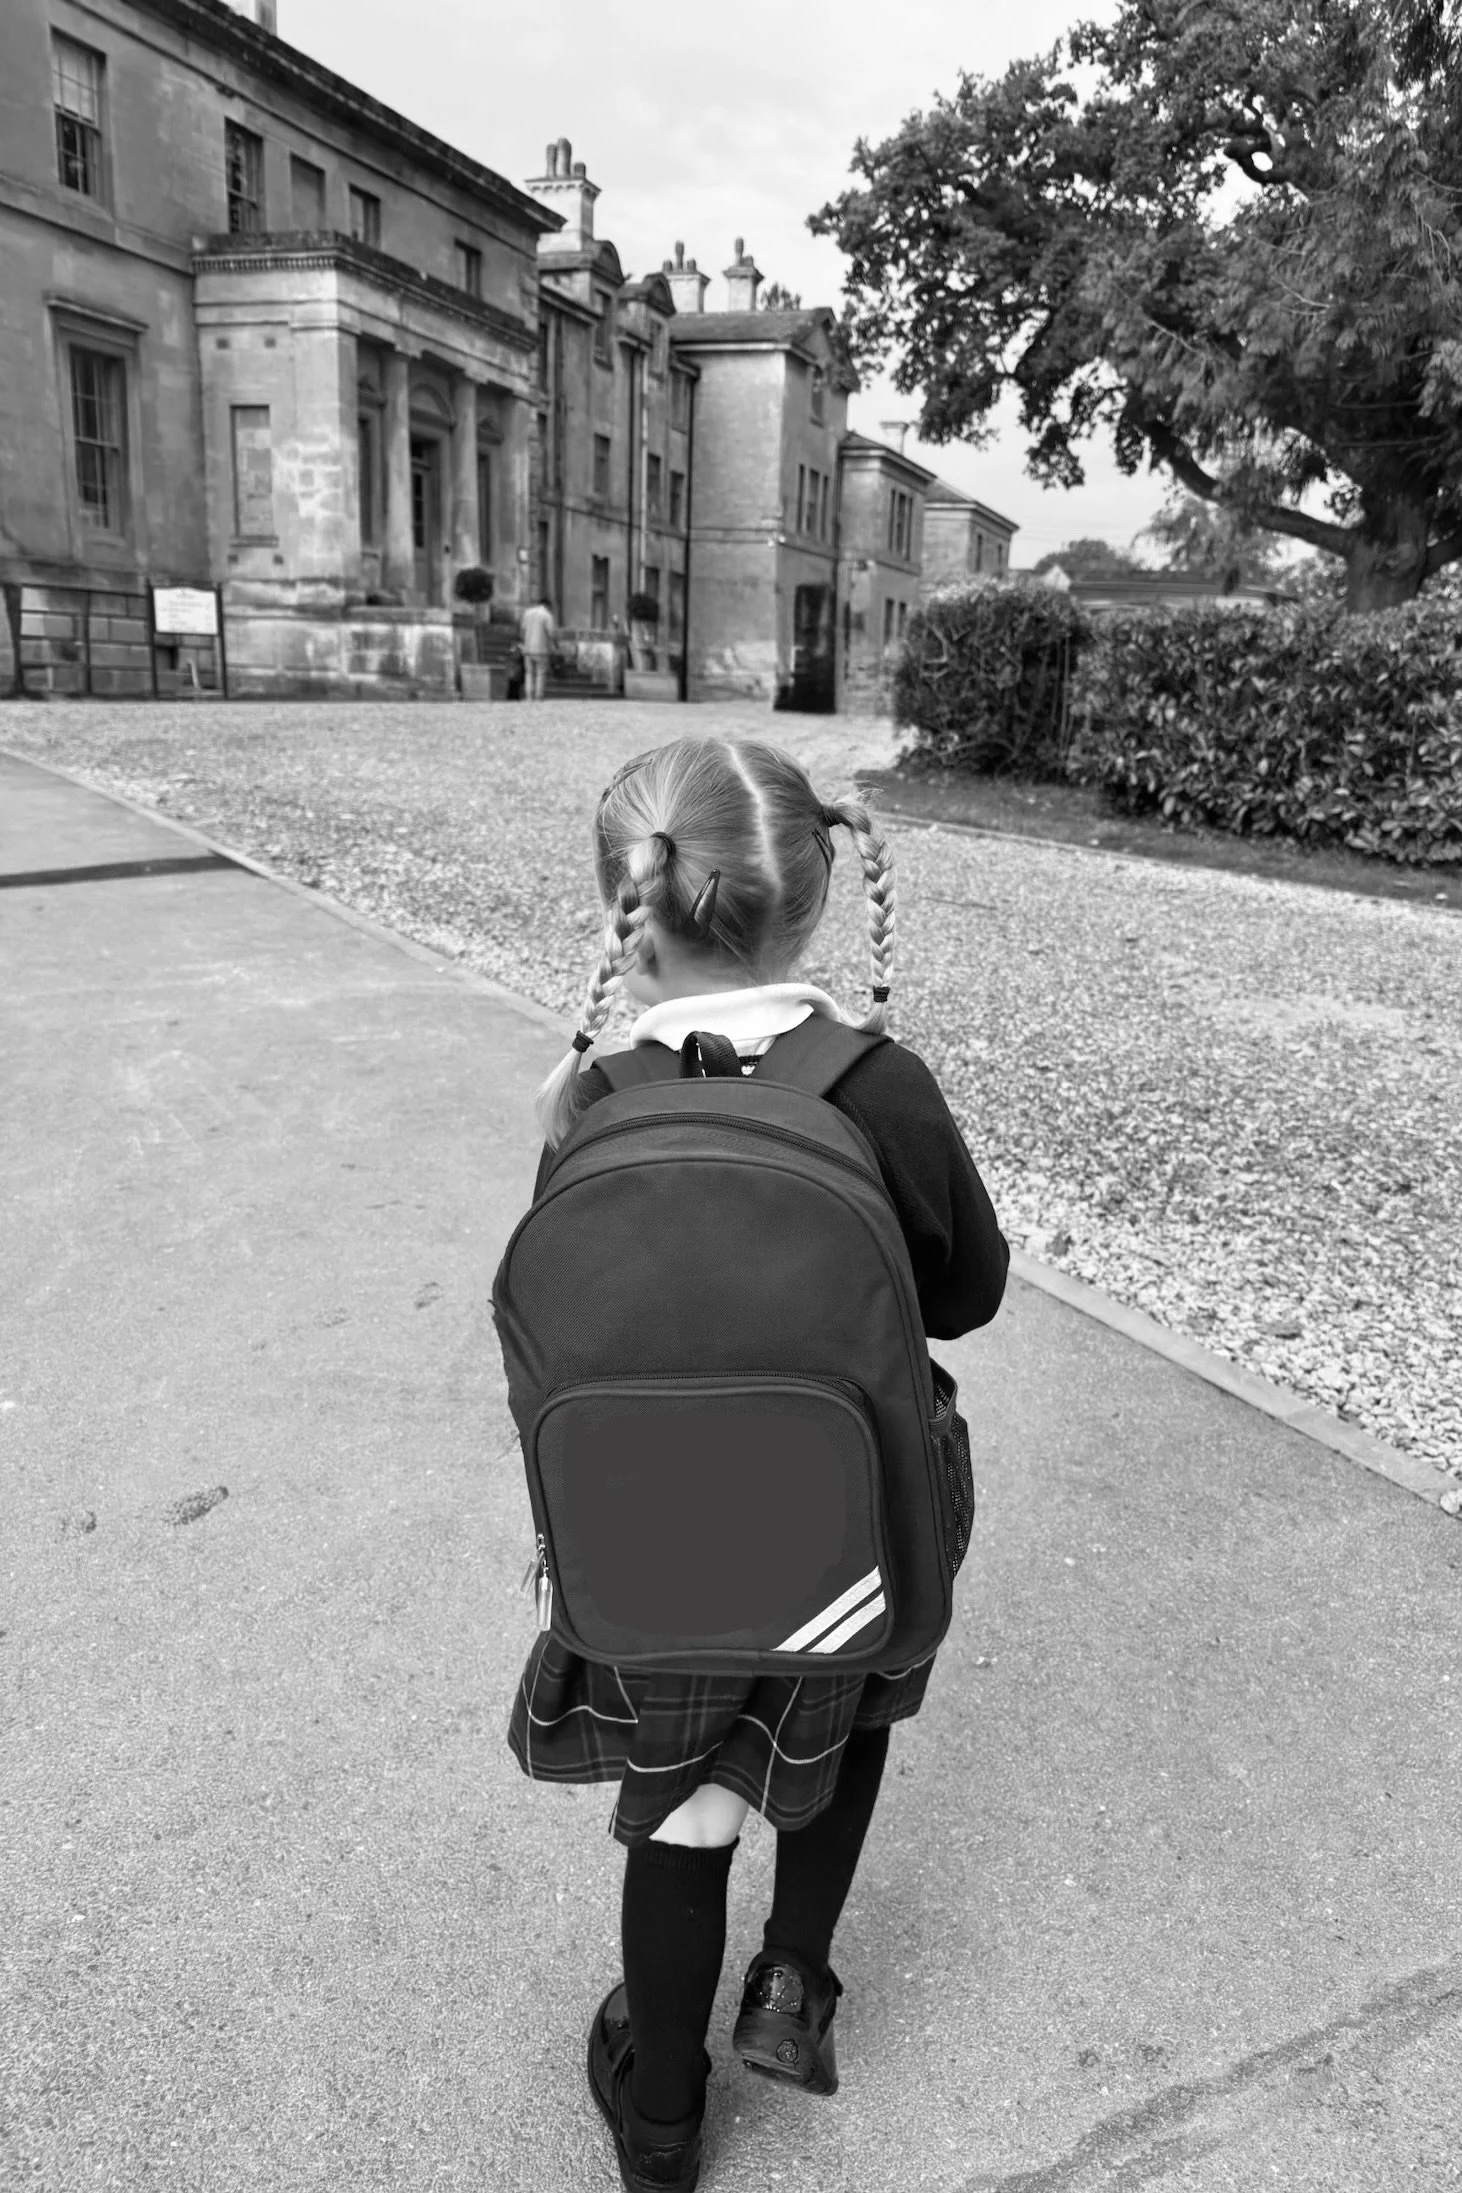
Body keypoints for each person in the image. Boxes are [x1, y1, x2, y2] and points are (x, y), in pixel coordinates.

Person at [507, 736, 1009, 2192]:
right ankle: (792, 1982)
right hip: (853, 1520)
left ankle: (661, 2112)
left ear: (626, 903)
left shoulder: (592, 1097)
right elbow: (964, 1291)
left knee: (688, 1799)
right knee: (837, 1724)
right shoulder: (876, 1080)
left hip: (652, 1532)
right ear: (813, 897)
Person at [520, 594, 557, 699]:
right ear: (547, 605)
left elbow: (522, 631)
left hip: (527, 648)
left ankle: (529, 695)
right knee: (540, 672)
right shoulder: (547, 615)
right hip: (541, 649)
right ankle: (538, 695)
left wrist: (524, 642)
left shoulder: (527, 613)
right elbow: (551, 633)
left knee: (529, 673)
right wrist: (554, 646)